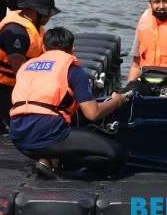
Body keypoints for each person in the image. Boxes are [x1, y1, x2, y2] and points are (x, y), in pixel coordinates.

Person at [10, 27, 129, 178]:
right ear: (72, 49)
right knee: (117, 153)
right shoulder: (72, 70)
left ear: (44, 47)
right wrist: (117, 101)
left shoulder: (26, 66)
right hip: (47, 135)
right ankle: (61, 165)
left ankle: (47, 159)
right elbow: (93, 113)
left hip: (19, 137)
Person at [0, 0, 57, 133]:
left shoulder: (32, 25)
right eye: (46, 14)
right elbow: (21, 73)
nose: (48, 18)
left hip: (7, 85)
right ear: (33, 11)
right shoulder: (17, 33)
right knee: (31, 124)